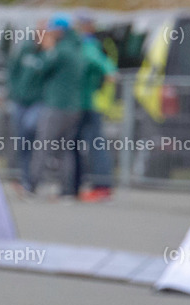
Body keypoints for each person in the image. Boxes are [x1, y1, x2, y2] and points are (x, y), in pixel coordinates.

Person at [26, 14, 85, 198]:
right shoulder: (77, 47)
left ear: (59, 31)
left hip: (57, 105)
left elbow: (40, 67)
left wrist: (46, 48)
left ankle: (32, 185)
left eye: (52, 29)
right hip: (74, 107)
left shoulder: (60, 50)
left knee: (43, 145)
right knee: (65, 149)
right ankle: (67, 190)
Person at [73, 15, 117, 202]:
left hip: (89, 103)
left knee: (95, 144)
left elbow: (102, 63)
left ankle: (101, 185)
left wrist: (109, 72)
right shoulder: (88, 43)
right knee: (86, 144)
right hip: (86, 103)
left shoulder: (88, 44)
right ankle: (86, 184)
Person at [6, 26, 45, 193]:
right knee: (22, 141)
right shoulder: (25, 49)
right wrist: (14, 92)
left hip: (38, 103)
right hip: (20, 102)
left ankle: (33, 179)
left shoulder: (49, 53)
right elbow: (12, 71)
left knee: (31, 130)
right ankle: (24, 178)